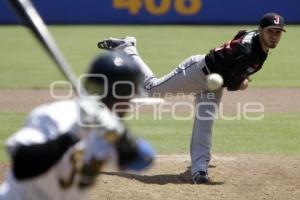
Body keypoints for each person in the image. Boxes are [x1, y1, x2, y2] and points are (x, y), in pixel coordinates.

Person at [97, 12, 286, 184]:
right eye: (271, 31)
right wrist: (243, 82)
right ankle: (127, 47)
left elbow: (241, 33)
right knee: (152, 89)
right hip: (196, 72)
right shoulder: (249, 53)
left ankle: (199, 170)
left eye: (278, 32)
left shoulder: (253, 37)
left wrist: (234, 70)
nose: (274, 36)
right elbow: (234, 85)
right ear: (261, 30)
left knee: (205, 122)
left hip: (214, 83)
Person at [0, 51, 155, 200]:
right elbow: (22, 166)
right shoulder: (55, 116)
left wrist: (122, 136)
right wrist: (73, 134)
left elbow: (144, 160)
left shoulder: (109, 129)